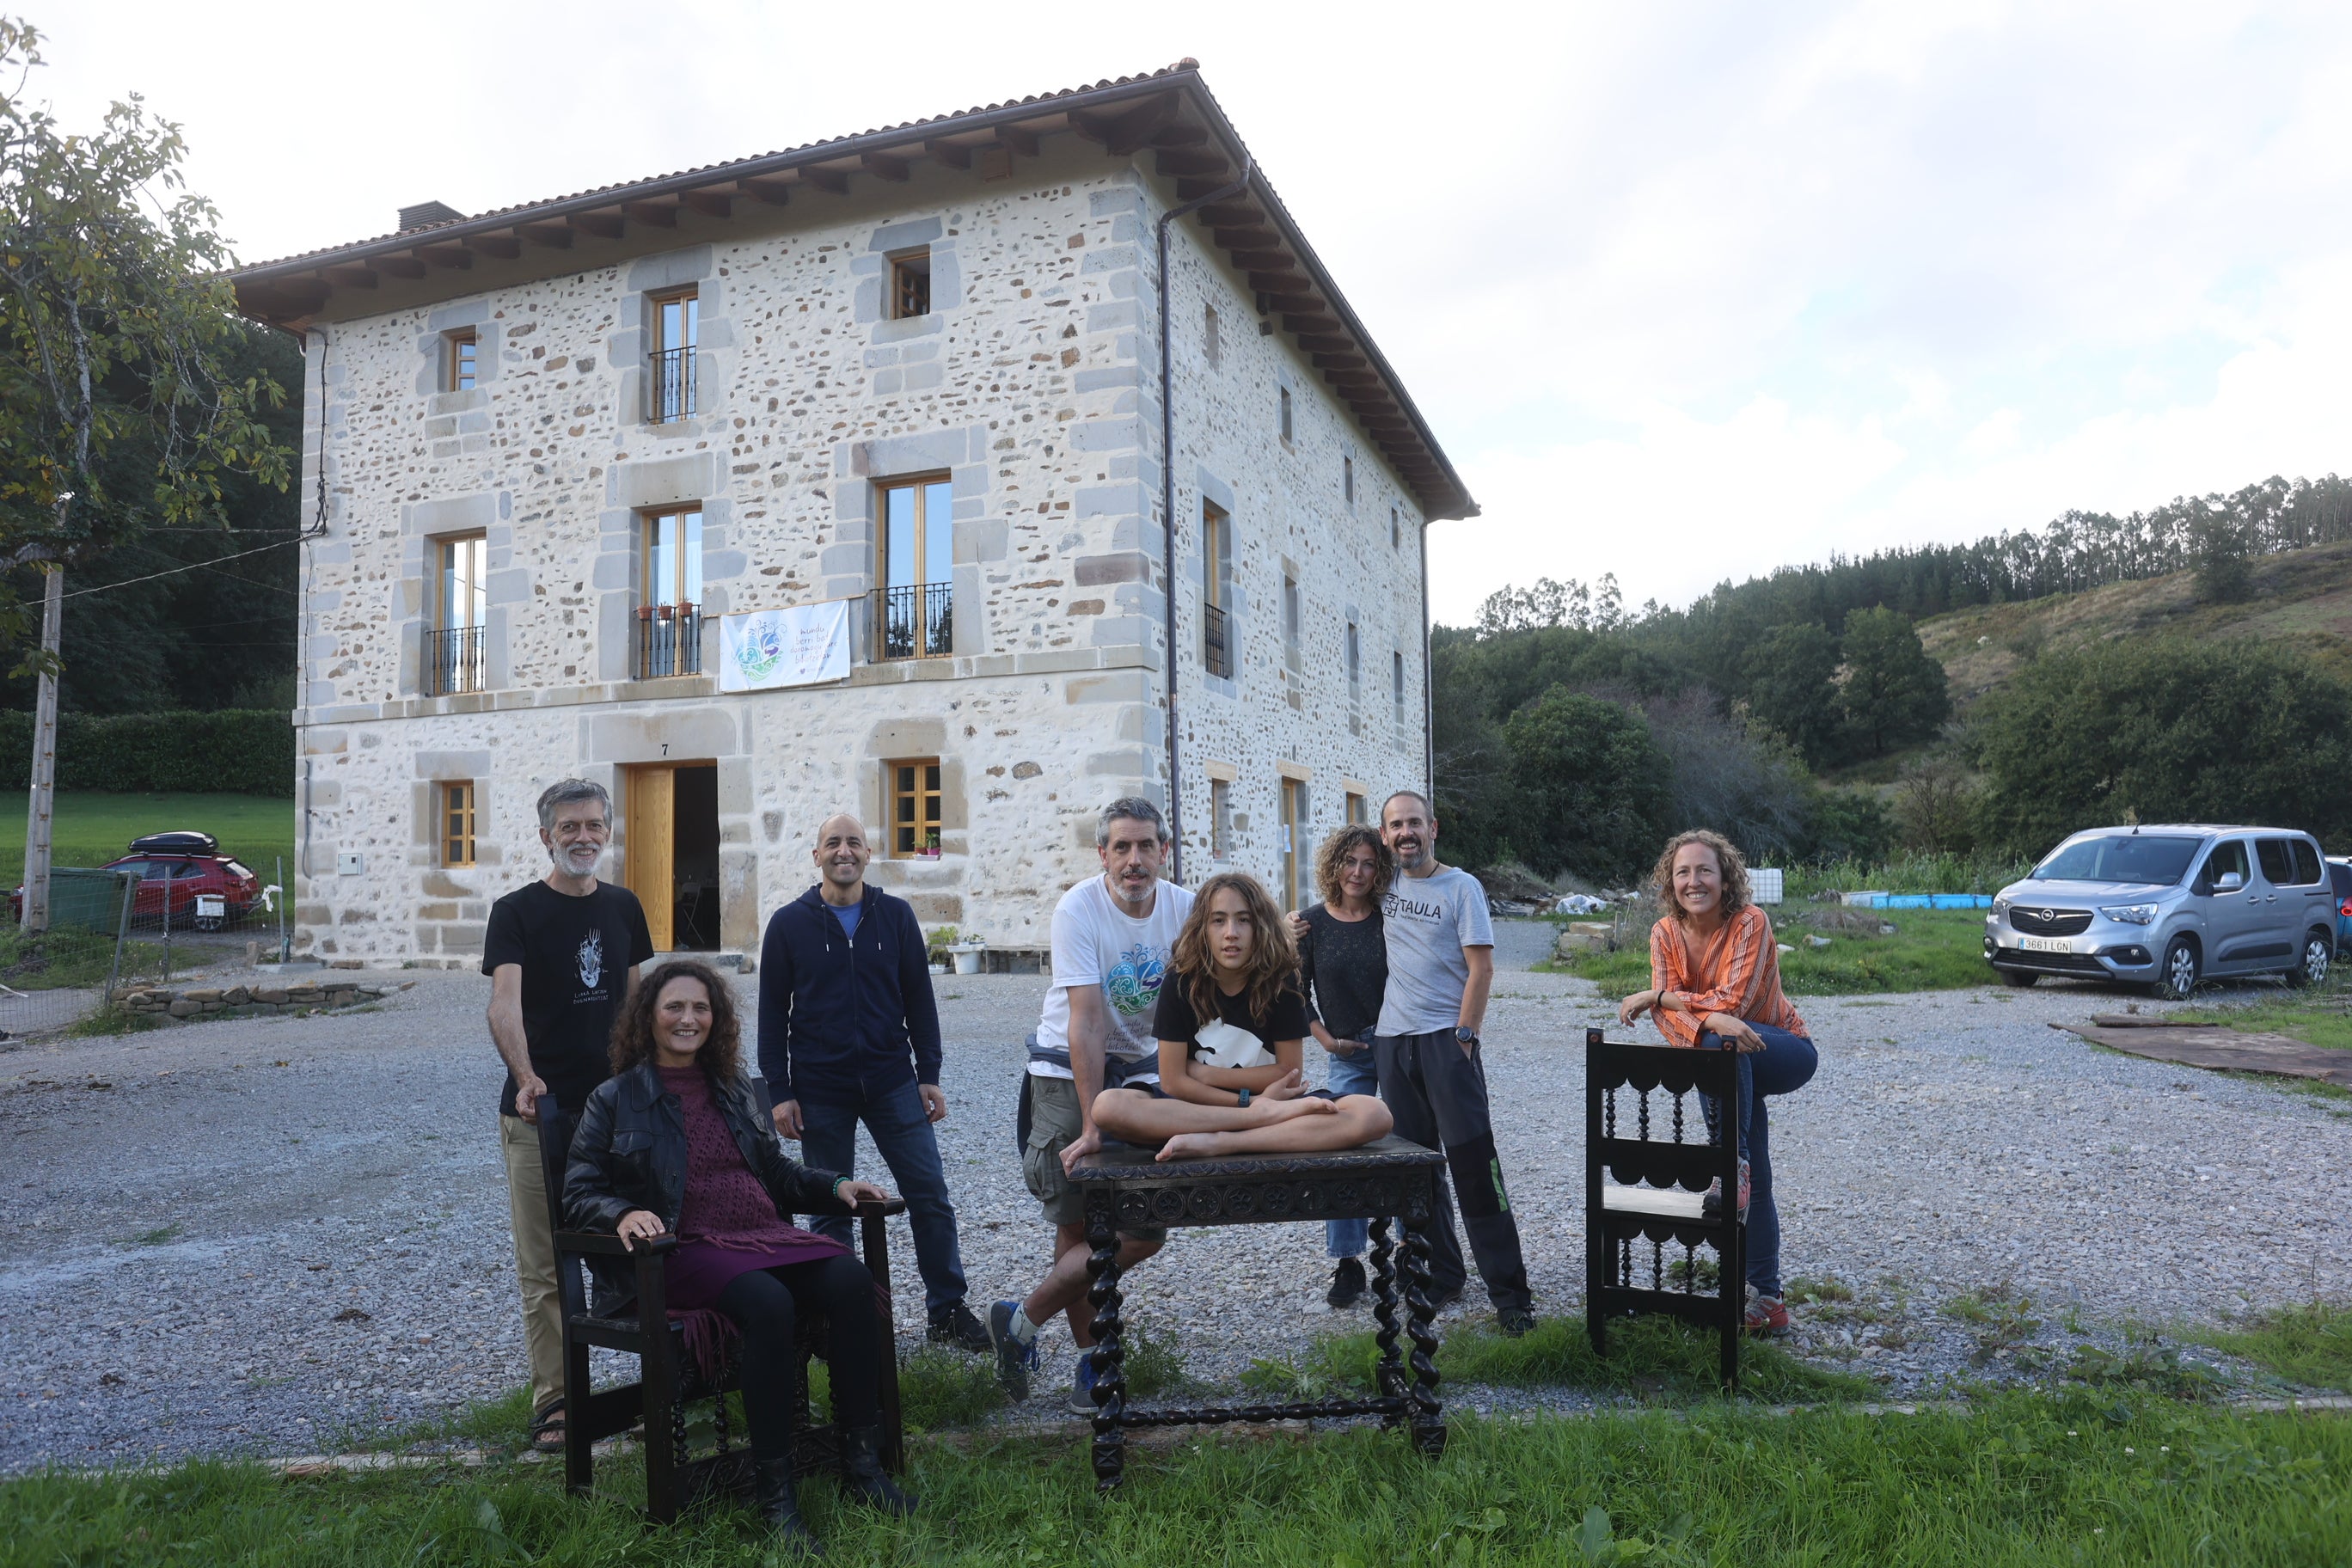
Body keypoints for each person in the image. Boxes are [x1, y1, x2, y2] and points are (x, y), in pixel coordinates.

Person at [566, 959, 905, 1549]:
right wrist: (621, 1213)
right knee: (767, 1303)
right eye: (674, 1007)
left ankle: (862, 1466)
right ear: (648, 1018)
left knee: (850, 1280)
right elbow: (578, 1190)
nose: (688, 1019)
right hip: (683, 1248)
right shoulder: (615, 1098)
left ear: (714, 1019)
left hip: (759, 1235)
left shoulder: (730, 1089)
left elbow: (773, 1170)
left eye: (701, 1008)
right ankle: (777, 1497)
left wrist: (834, 1186)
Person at [757, 812, 989, 1355]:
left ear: (868, 854)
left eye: (853, 843)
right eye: (832, 842)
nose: (844, 851)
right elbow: (771, 1017)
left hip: (891, 1081)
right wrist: (779, 1091)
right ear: (816, 856)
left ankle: (948, 1309)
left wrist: (928, 1074)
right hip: (820, 1087)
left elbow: (919, 1002)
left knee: (930, 1194)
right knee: (831, 1206)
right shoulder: (789, 924)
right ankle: (840, 1320)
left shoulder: (897, 917)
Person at [989, 798, 1191, 1412]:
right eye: (1122, 848)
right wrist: (1095, 1119)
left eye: (1146, 847)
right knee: (1079, 1221)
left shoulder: (1183, 906)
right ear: (1102, 854)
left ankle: (1020, 1321)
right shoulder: (1079, 907)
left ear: (1164, 851)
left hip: (1143, 1073)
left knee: (1146, 1228)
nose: (1135, 860)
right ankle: (1091, 1362)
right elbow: (1086, 1024)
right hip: (1068, 1072)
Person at [483, 777, 655, 1455]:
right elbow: (504, 1004)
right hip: (539, 1113)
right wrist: (527, 1079)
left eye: (594, 826)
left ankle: (661, 1384)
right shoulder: (516, 911)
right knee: (548, 1261)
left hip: (617, 1114)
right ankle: (556, 1402)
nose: (583, 837)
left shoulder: (623, 907)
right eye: (569, 827)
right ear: (546, 835)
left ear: (607, 831)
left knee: (640, 1247)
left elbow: (639, 1006)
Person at [1616, 829, 1818, 1336]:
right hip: (1730, 1057)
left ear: (1726, 878)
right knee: (1752, 1151)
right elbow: (1678, 1027)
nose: (1694, 881)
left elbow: (1733, 1001)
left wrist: (1658, 997)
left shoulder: (1751, 921)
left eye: (1705, 870)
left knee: (1717, 1048)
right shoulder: (1664, 932)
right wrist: (1692, 1015)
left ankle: (1730, 1166)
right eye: (1683, 872)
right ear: (1670, 881)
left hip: (1781, 1047)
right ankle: (1768, 1299)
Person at [1369, 790, 1536, 1336]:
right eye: (1395, 826)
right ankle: (1442, 1273)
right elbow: (1337, 907)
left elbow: (1482, 968)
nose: (1405, 834)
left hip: (1446, 1039)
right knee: (1416, 1170)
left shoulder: (1461, 887)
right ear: (1385, 833)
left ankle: (1511, 1298)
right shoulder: (1381, 883)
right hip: (1394, 1042)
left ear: (1433, 827)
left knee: (1473, 1167)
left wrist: (1465, 1036)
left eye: (1413, 823)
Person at [1093, 870, 1393, 1159]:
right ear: (1203, 928)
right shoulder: (1180, 980)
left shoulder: (1281, 979)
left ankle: (1227, 1142)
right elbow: (1173, 1081)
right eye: (1218, 921)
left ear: (1259, 926)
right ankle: (1251, 1125)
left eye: (1243, 920)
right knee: (1109, 1106)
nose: (1231, 933)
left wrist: (1206, 1074)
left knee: (1374, 1114)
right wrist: (1249, 1105)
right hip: (1199, 1109)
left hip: (1274, 1104)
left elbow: (1288, 1073)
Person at [1294, 824, 1395, 1307]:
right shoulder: (1310, 924)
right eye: (1349, 861)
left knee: (1406, 1145)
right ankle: (1349, 1262)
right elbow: (1294, 991)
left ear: (1379, 871)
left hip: (1395, 1044)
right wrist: (1325, 1040)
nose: (1357, 872)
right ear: (1334, 866)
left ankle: (1416, 1248)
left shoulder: (1388, 919)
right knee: (1344, 1152)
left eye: (1368, 863)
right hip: (1347, 1051)